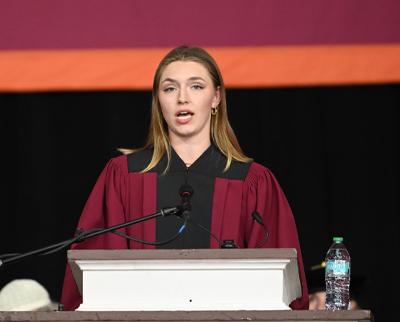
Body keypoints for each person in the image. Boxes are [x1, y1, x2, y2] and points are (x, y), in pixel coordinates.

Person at [60, 45, 309, 310]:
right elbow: (94, 282)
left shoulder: (252, 181)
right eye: (170, 88)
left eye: (196, 86)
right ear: (159, 100)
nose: (182, 98)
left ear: (216, 98)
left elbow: (283, 289)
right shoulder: (123, 175)